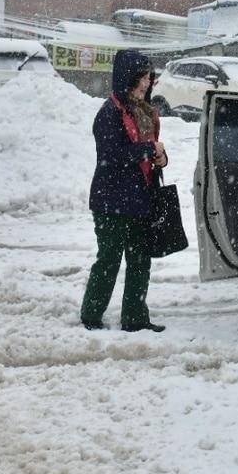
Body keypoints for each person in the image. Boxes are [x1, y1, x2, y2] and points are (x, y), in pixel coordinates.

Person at [81, 50, 168, 331]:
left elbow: (152, 151)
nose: (146, 84)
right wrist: (146, 150)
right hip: (111, 201)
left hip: (141, 199)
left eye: (148, 77)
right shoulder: (110, 113)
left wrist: (161, 158)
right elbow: (112, 154)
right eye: (141, 78)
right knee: (108, 260)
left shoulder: (145, 113)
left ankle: (135, 318)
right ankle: (91, 316)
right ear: (126, 79)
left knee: (140, 262)